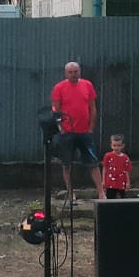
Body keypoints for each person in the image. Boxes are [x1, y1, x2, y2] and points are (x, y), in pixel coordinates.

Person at [51, 61, 101, 200]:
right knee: (67, 164)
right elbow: (55, 110)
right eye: (70, 72)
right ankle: (70, 192)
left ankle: (101, 192)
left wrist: (91, 128)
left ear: (80, 72)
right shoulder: (59, 87)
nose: (73, 74)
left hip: (85, 132)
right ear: (66, 73)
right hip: (67, 133)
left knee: (93, 163)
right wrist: (61, 129)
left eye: (76, 71)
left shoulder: (87, 85)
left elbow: (92, 107)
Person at [101, 134, 132, 201]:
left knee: (122, 199)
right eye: (114, 145)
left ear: (122, 146)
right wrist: (103, 181)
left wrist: (128, 182)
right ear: (111, 145)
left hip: (121, 182)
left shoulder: (125, 158)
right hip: (110, 183)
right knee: (109, 199)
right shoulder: (107, 156)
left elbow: (127, 170)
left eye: (118, 145)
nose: (116, 147)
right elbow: (104, 168)